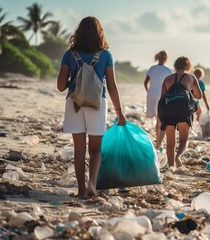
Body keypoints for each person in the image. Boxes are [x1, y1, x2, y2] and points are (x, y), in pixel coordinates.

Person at [57, 16, 126, 199]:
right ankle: (92, 184)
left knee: (79, 149)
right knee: (95, 149)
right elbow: (111, 86)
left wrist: (76, 78)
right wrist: (119, 113)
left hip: (75, 103)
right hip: (97, 103)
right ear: (99, 33)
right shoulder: (105, 55)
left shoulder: (69, 54)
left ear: (78, 32)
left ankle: (80, 190)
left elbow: (61, 86)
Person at [160, 56, 202, 168]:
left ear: (175, 66)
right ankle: (178, 156)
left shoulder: (167, 79)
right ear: (188, 66)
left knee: (170, 143)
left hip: (168, 110)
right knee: (184, 140)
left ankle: (171, 167)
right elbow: (199, 96)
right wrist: (189, 91)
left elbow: (162, 97)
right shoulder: (191, 77)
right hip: (183, 109)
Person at [143, 50, 172, 151]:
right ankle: (159, 141)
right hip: (162, 95)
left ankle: (158, 138)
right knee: (161, 118)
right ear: (166, 59)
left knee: (157, 118)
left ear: (158, 57)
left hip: (151, 94)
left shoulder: (152, 68)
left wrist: (149, 92)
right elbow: (170, 85)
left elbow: (145, 82)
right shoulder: (168, 70)